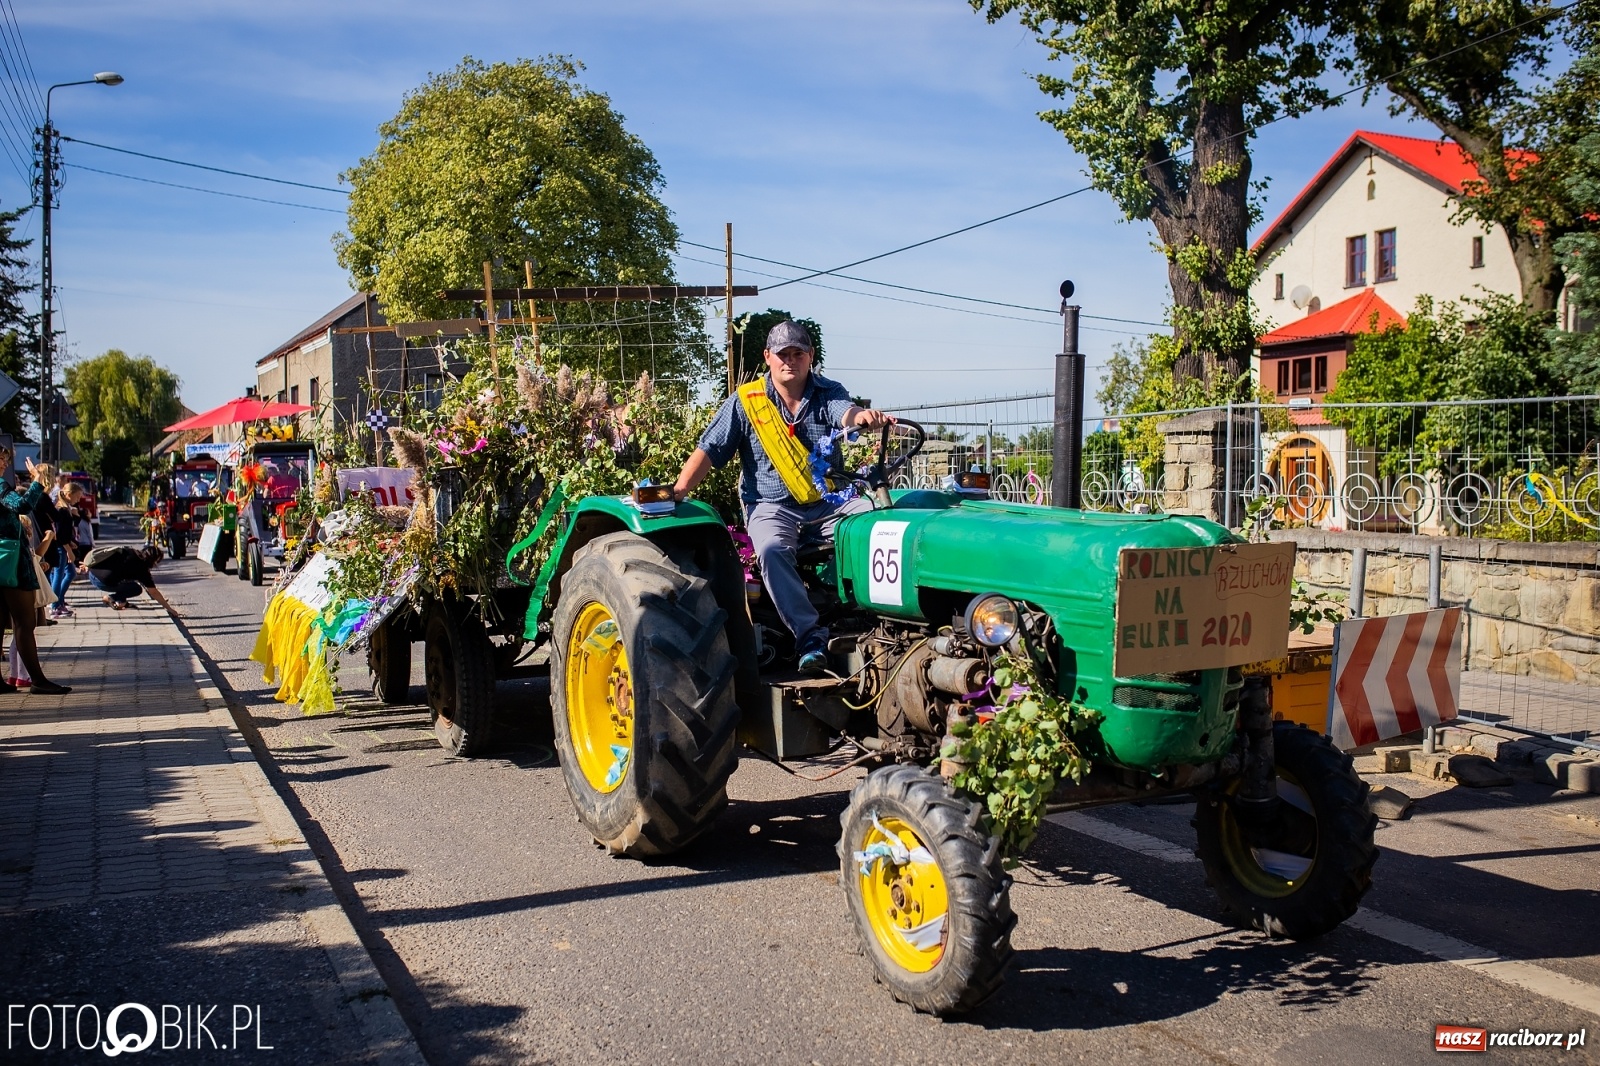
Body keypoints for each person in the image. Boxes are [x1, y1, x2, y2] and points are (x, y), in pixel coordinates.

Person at [671, 319, 892, 673]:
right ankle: (810, 637)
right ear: (767, 357)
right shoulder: (746, 402)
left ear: (810, 356)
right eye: (782, 354)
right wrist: (679, 490)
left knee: (880, 525)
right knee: (772, 549)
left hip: (829, 504)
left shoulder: (828, 392)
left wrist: (861, 417)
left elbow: (845, 413)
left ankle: (876, 620)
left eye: (798, 353)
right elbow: (709, 449)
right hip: (771, 507)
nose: (790, 361)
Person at [0, 445, 73, 695]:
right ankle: (38, 680)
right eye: (1, 459)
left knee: (1, 621)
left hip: (3, 558)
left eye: (6, 459)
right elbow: (22, 505)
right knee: (25, 621)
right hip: (11, 561)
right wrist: (38, 481)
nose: (4, 463)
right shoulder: (0, 486)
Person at [80, 544, 174, 612]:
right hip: (102, 583)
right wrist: (169, 609)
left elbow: (106, 556)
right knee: (136, 588)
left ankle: (121, 602)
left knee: (125, 578)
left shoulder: (128, 550)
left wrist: (88, 565)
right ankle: (111, 598)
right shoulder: (143, 570)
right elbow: (153, 592)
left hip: (92, 574)